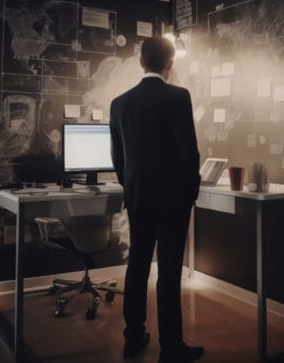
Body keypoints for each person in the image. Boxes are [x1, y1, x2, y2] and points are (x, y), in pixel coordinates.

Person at [109, 37, 204, 362]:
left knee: (136, 265)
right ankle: (171, 347)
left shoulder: (120, 103)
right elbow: (188, 152)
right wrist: (190, 192)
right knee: (168, 271)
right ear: (170, 63)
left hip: (137, 196)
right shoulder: (178, 97)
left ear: (140, 61)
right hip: (173, 199)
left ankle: (133, 335)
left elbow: (117, 158)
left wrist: (131, 185)